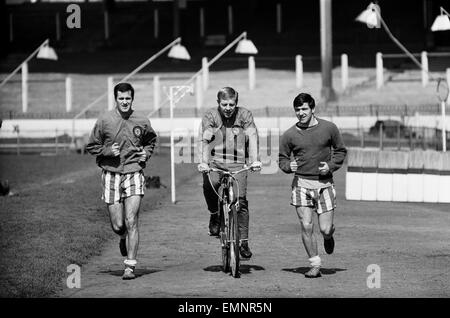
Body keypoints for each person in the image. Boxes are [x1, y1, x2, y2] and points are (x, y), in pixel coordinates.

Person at [86, 82, 157, 280]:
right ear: (115, 99)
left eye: (127, 99)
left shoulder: (142, 120)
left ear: (132, 99)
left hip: (134, 172)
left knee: (132, 220)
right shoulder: (104, 120)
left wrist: (146, 153)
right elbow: (91, 145)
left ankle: (130, 266)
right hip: (111, 173)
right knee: (118, 225)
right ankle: (122, 237)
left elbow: (151, 141)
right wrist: (107, 151)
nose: (124, 102)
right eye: (121, 99)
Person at [278, 93, 347, 278]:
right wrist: (287, 166)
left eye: (304, 109)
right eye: (298, 110)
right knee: (306, 226)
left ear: (313, 109)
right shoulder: (289, 135)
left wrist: (331, 166)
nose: (301, 113)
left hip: (324, 185)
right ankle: (315, 264)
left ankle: (328, 236)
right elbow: (282, 159)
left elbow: (340, 151)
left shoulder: (329, 128)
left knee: (325, 228)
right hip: (301, 185)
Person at [197, 87, 262, 259]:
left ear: (236, 104)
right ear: (218, 103)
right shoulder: (210, 116)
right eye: (224, 104)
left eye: (231, 104)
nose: (227, 108)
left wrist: (255, 160)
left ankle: (244, 241)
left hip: (237, 163)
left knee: (241, 201)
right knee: (210, 184)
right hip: (215, 161)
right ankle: (214, 214)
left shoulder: (245, 115)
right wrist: (204, 163)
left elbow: (253, 136)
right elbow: (204, 139)